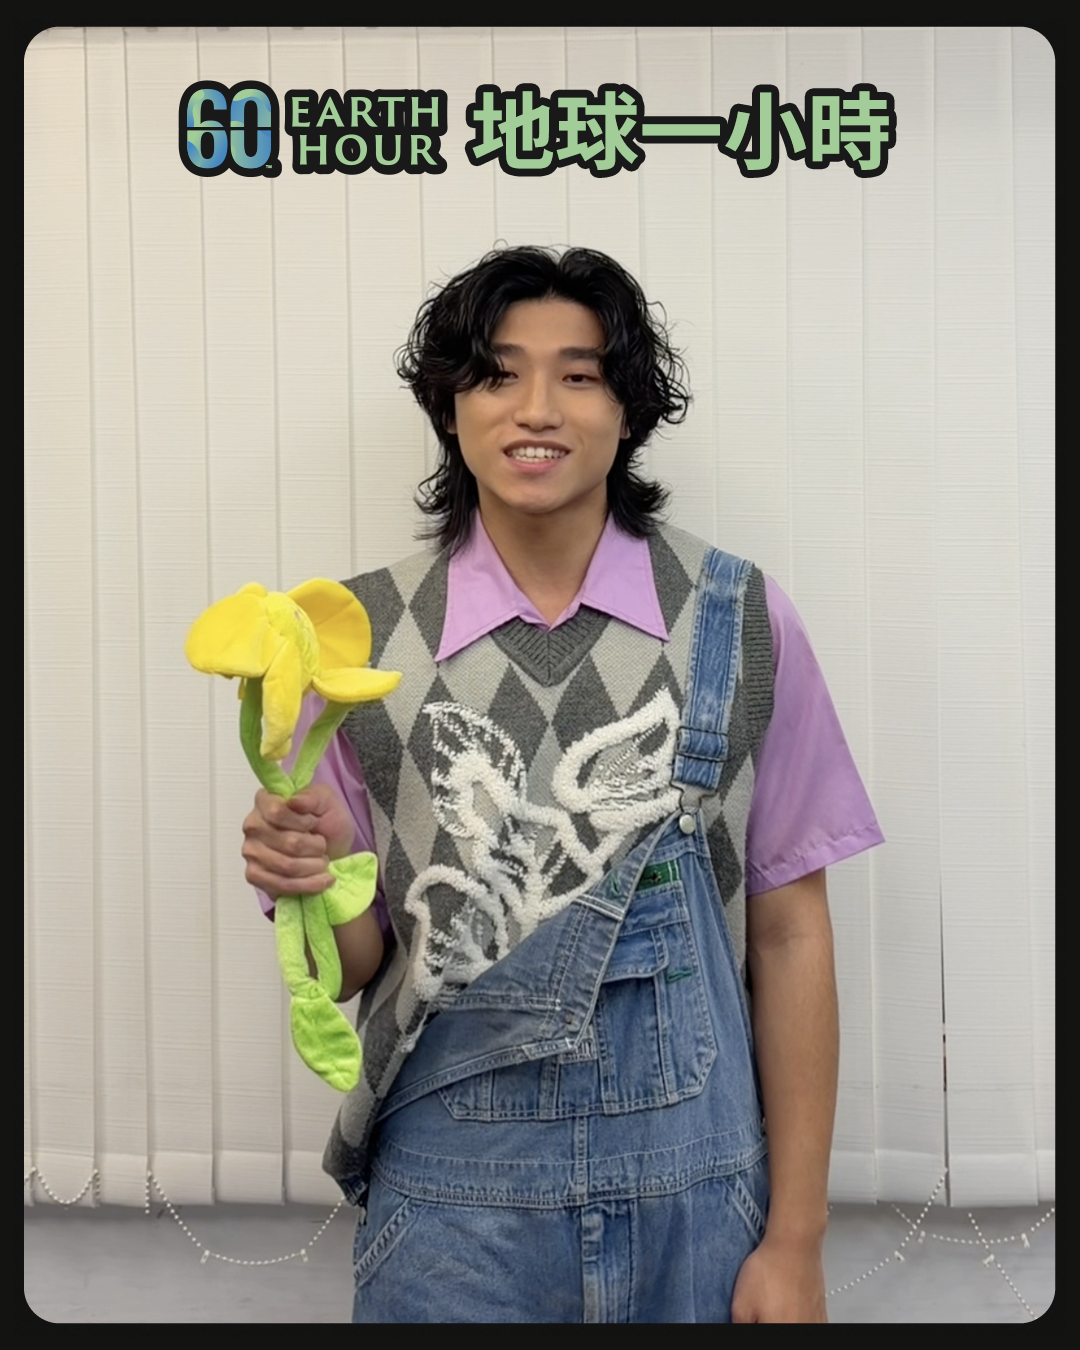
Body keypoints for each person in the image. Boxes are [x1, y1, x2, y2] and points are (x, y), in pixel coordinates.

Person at [242, 245, 883, 1323]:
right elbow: (356, 966)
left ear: (627, 410)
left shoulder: (737, 617)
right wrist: (308, 877)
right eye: (498, 373)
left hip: (701, 1209)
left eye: (579, 375)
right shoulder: (349, 641)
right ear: (451, 407)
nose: (536, 407)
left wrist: (797, 1238)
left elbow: (788, 934)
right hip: (448, 1220)